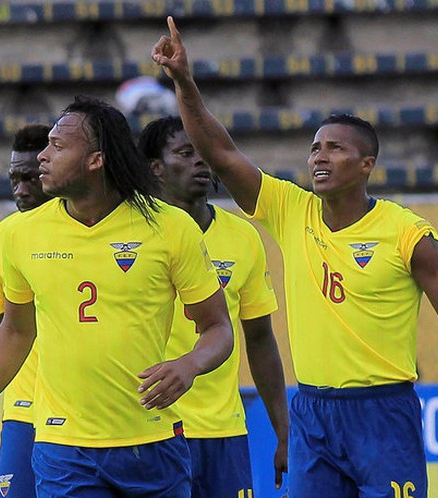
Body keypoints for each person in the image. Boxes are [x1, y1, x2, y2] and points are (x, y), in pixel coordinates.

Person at [152, 17, 438, 496]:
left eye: (334, 148)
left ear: (366, 164)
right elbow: (220, 153)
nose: (318, 158)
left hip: (383, 413)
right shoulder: (290, 209)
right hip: (313, 413)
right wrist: (184, 82)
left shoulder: (405, 233)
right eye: (314, 148)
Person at [0, 95, 234, 498]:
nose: (43, 156)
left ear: (96, 160)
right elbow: (15, 333)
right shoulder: (21, 235)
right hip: (64, 449)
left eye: (58, 146)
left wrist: (191, 364)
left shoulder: (170, 228)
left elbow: (217, 328)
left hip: (153, 442)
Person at [138, 116, 289, 496]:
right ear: (156, 167)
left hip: (224, 432)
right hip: (150, 428)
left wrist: (284, 433)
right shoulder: (131, 235)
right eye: (185, 153)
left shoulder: (243, 237)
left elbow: (259, 339)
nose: (200, 162)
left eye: (204, 153)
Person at [0, 124, 53, 498]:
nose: (21, 190)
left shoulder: (96, 232)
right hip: (23, 414)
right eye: (15, 178)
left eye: (31, 178)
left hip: (90, 414)